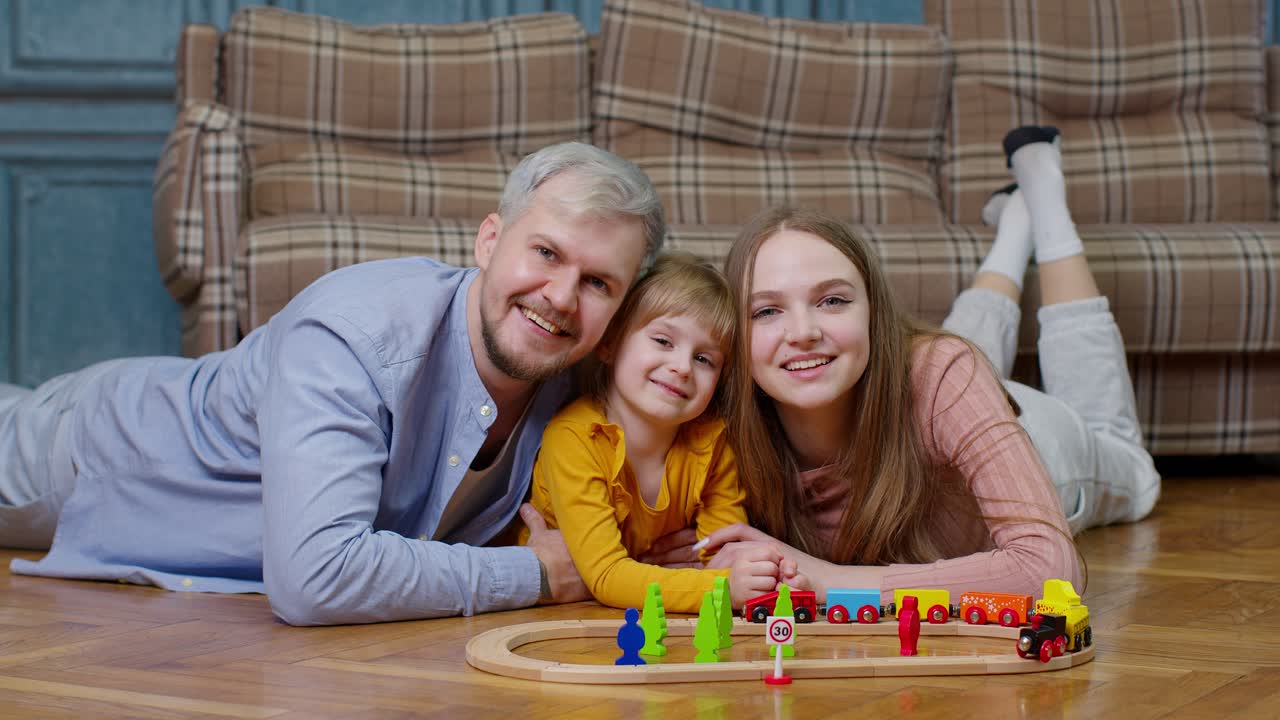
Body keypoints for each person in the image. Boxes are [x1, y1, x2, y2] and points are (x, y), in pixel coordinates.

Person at [0, 141, 666, 625]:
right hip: (98, 452)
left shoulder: (586, 381)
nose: (559, 296)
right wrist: (540, 574)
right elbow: (316, 576)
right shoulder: (356, 334)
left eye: (598, 282)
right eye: (545, 253)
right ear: (490, 241)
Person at [688, 126, 1160, 603]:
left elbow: (1049, 571)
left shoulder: (941, 372)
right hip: (946, 403)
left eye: (832, 300)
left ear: (875, 314)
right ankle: (1016, 226)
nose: (803, 331)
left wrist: (828, 579)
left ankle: (1044, 197)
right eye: (766, 310)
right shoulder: (716, 409)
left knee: (1134, 470)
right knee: (952, 359)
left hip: (1049, 453)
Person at [521, 253, 790, 613]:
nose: (681, 367)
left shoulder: (710, 441)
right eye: (663, 341)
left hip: (645, 611)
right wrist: (723, 588)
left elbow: (723, 553)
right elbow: (607, 577)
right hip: (557, 611)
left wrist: (766, 577)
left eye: (704, 359)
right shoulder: (574, 437)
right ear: (610, 343)